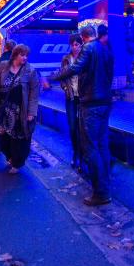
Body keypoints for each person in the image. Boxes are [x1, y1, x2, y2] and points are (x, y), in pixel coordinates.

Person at [51, 25, 114, 206]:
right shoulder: (106, 49)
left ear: (83, 37)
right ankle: (105, 183)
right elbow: (109, 76)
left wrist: (53, 77)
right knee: (102, 144)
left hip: (91, 103)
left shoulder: (89, 47)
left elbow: (75, 69)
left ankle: (100, 192)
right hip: (105, 102)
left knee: (90, 147)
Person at [0, 44, 40, 174]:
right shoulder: (3, 66)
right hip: (2, 109)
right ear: (15, 54)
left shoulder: (30, 71)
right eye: (22, 55)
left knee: (19, 138)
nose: (25, 58)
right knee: (2, 137)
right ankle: (9, 156)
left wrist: (31, 112)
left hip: (20, 110)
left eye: (26, 55)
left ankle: (17, 162)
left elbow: (34, 94)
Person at [59, 34, 83, 169]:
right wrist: (65, 88)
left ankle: (82, 154)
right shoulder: (66, 59)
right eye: (73, 44)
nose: (75, 47)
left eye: (77, 44)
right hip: (71, 97)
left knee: (82, 127)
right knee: (73, 126)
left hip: (84, 98)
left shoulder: (85, 58)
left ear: (81, 45)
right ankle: (76, 153)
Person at [124, 6, 134, 87]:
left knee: (128, 62)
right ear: (133, 12)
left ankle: (131, 80)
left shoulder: (123, 20)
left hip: (125, 43)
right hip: (133, 42)